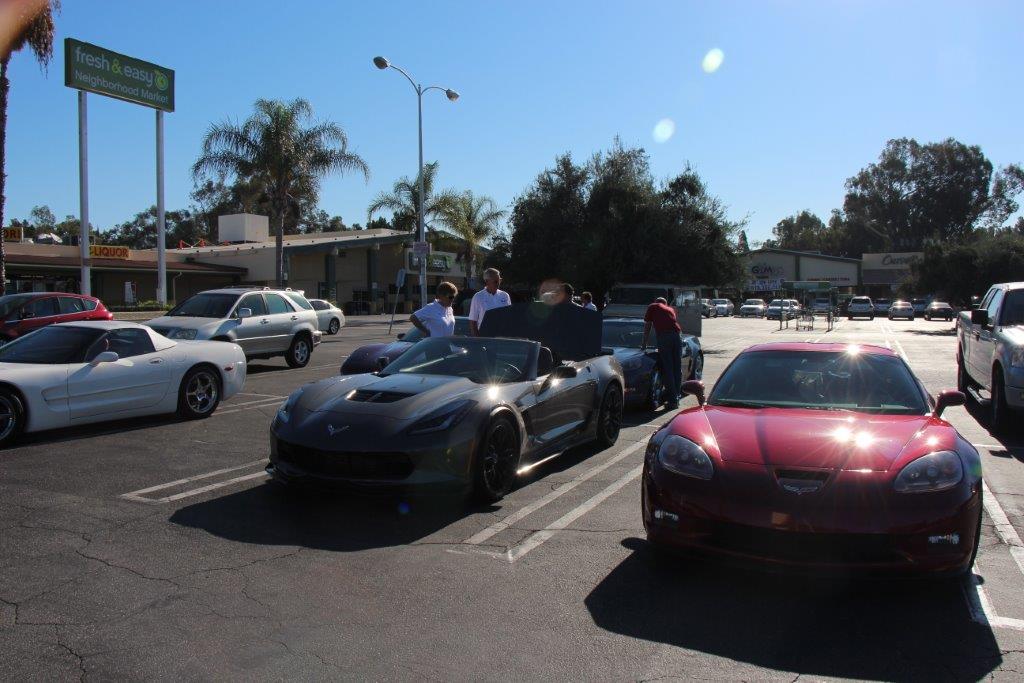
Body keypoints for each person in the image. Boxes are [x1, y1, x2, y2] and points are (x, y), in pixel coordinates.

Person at [641, 297, 683, 410]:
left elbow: (648, 325)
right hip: (677, 336)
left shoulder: (653, 306)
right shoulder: (670, 309)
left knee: (667, 368)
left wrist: (644, 343)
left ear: (656, 302)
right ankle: (676, 397)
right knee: (677, 368)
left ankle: (673, 401)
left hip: (665, 337)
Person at [468, 267, 511, 336]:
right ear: (487, 281)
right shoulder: (478, 297)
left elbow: (508, 318)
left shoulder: (505, 296)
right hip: (485, 336)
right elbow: (473, 320)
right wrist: (477, 339)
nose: (498, 283)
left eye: (500, 280)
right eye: (495, 281)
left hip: (502, 337)